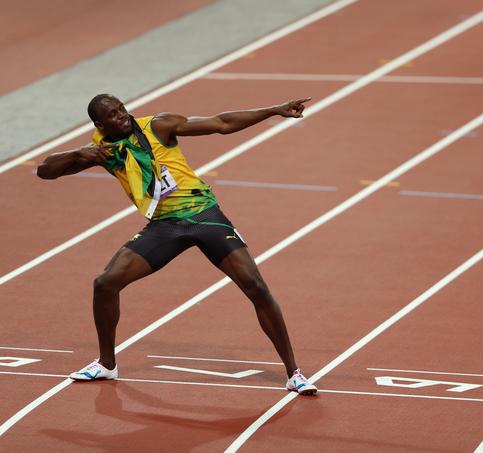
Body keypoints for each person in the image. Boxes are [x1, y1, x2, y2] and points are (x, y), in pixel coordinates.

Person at [37, 94, 317, 395]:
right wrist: (84, 153)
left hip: (204, 215)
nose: (123, 116)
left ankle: (294, 373)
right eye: (114, 115)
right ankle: (107, 365)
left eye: (122, 109)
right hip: (164, 226)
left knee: (256, 287)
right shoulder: (104, 152)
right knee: (105, 283)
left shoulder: (158, 126)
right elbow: (45, 171)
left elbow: (221, 123)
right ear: (100, 124)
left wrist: (273, 110)